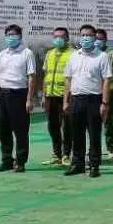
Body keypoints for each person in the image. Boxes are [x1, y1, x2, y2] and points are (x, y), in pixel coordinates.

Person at [63, 25, 113, 178]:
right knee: (76, 134)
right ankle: (77, 164)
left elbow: (107, 80)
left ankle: (94, 165)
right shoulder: (73, 56)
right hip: (76, 99)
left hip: (94, 100)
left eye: (89, 35)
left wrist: (104, 103)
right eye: (83, 35)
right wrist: (66, 100)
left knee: (94, 134)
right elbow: (68, 79)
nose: (85, 38)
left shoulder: (101, 56)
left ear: (94, 38)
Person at [0, 24, 36, 173]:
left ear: (19, 37)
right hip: (2, 95)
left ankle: (21, 161)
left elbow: (31, 77)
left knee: (20, 130)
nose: (11, 38)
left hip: (19, 94)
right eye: (8, 35)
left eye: (13, 35)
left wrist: (29, 99)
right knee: (3, 129)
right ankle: (7, 160)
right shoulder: (2, 54)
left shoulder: (27, 53)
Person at [42, 27, 73, 166]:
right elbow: (45, 76)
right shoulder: (49, 54)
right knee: (52, 126)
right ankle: (56, 154)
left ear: (67, 38)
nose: (58, 39)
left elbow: (73, 78)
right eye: (55, 36)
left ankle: (66, 155)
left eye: (61, 37)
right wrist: (43, 95)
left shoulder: (73, 54)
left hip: (65, 96)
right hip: (50, 95)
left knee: (67, 127)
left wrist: (68, 98)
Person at [94, 29, 113, 159]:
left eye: (101, 39)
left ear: (105, 40)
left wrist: (112, 90)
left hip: (107, 93)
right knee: (92, 122)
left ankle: (111, 148)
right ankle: (93, 148)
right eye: (96, 38)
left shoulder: (112, 52)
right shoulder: (90, 53)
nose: (98, 41)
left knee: (107, 122)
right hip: (92, 92)